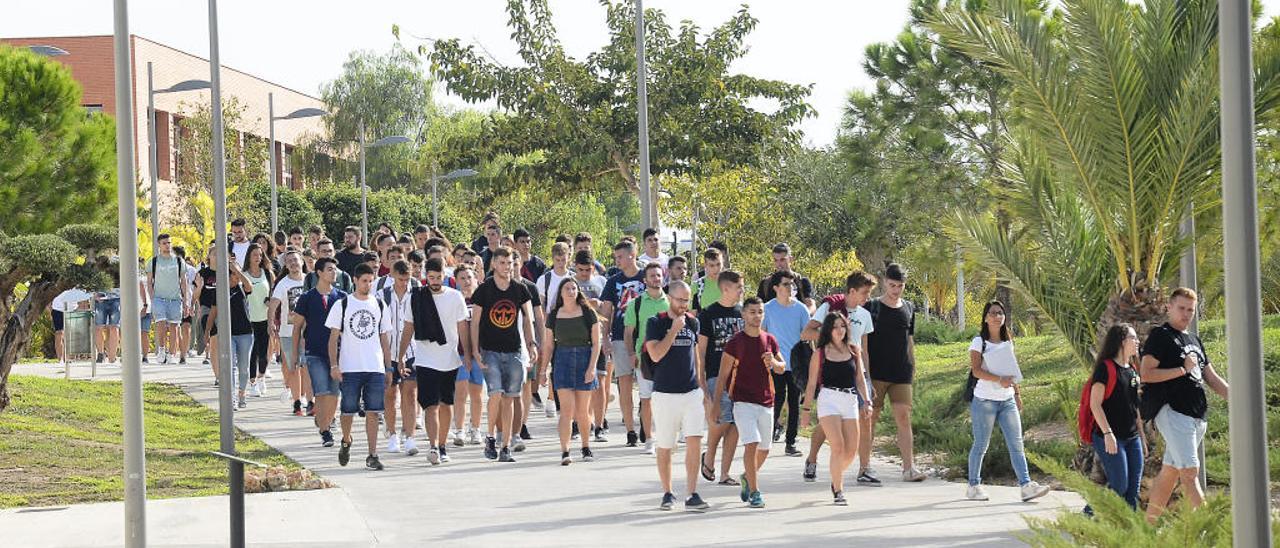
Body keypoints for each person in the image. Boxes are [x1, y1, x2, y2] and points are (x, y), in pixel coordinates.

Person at [1141, 288, 1229, 523]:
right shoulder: (1161, 336)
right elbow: (1146, 373)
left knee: (1170, 472)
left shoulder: (1193, 339)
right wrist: (1181, 369)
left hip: (1197, 416)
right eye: (1181, 308)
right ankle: (1209, 530)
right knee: (1190, 473)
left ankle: (1148, 528)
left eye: (1190, 310)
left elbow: (1211, 377)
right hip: (1173, 413)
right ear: (1169, 307)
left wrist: (1238, 398)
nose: (1186, 314)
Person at [965, 300, 1051, 502]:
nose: (997, 316)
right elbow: (976, 370)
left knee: (1016, 443)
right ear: (986, 318)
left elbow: (1012, 370)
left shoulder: (1008, 341)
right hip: (985, 400)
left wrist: (1017, 394)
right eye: (993, 313)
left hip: (1007, 400)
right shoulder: (979, 342)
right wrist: (998, 380)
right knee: (981, 444)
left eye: (1000, 313)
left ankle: (1026, 485)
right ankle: (973, 485)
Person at [801, 271, 880, 484]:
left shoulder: (864, 315)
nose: (867, 297)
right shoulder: (830, 307)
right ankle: (812, 458)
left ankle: (864, 468)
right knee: (827, 426)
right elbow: (806, 333)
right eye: (864, 293)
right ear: (852, 290)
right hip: (832, 372)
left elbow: (864, 349)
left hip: (856, 371)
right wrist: (831, 335)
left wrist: (868, 377)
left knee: (865, 418)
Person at [396, 258, 471, 465]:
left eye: (438, 277)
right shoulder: (417, 297)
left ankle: (443, 445)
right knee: (430, 404)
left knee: (446, 403)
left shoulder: (455, 297)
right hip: (425, 358)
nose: (435, 281)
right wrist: (401, 355)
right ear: (425, 277)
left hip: (450, 359)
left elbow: (463, 328)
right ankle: (433, 446)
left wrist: (468, 355)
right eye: (431, 277)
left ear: (444, 277)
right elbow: (408, 327)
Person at [469, 246, 539, 462]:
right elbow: (476, 322)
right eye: (502, 263)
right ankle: (490, 435)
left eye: (509, 263)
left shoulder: (520, 289)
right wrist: (474, 349)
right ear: (494, 264)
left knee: (510, 397)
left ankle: (506, 445)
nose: (506, 267)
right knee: (496, 394)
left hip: (514, 350)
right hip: (490, 349)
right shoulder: (484, 290)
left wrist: (532, 344)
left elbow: (528, 319)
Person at [644, 281, 709, 512]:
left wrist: (703, 389)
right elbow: (655, 355)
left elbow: (696, 356)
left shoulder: (693, 322)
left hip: (691, 392)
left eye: (687, 300)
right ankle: (667, 492)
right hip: (664, 394)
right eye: (680, 300)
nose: (684, 305)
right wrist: (673, 330)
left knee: (694, 440)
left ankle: (692, 493)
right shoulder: (656, 323)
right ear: (669, 297)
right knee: (665, 445)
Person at [715, 297, 784, 508]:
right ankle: (755, 492)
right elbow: (722, 375)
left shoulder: (769, 340)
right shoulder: (735, 343)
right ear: (743, 315)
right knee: (751, 444)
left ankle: (747, 476)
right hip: (742, 402)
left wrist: (772, 362)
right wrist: (716, 404)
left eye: (760, 312)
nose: (756, 316)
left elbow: (782, 366)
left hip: (766, 401)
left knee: (765, 449)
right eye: (752, 312)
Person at [326, 263, 393, 471]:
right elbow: (333, 338)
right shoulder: (343, 304)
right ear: (355, 280)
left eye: (370, 281)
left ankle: (372, 454)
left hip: (374, 366)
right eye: (364, 280)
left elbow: (385, 338)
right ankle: (346, 440)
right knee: (348, 411)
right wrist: (334, 364)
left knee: (374, 411)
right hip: (350, 366)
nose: (367, 284)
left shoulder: (380, 305)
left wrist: (388, 367)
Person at [865, 263, 926, 482]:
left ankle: (909, 468)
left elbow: (910, 340)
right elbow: (863, 343)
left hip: (901, 373)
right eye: (892, 285)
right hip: (876, 373)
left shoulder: (909, 308)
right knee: (871, 419)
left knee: (903, 417)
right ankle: (865, 466)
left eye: (900, 286)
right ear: (884, 282)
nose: (896, 290)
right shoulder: (871, 307)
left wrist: (913, 367)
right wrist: (866, 375)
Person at [802, 313, 870, 505]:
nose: (839, 330)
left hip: (850, 399)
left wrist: (867, 402)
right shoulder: (820, 353)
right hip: (829, 399)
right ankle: (839, 490)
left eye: (842, 326)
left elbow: (860, 379)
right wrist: (806, 411)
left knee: (851, 451)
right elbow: (811, 384)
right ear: (828, 331)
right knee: (838, 445)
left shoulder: (854, 350)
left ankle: (835, 477)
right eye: (835, 327)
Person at [1082, 323, 1145, 514]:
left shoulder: (1132, 370)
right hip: (1109, 436)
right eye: (1133, 338)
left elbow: (1135, 408)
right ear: (1121, 341)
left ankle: (1129, 532)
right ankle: (1088, 514)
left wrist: (1142, 437)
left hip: (1132, 438)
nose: (1137, 342)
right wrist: (1108, 433)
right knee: (1119, 485)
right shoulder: (1106, 368)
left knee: (1132, 490)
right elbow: (1095, 404)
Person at [540, 278, 602, 465]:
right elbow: (549, 345)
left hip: (584, 358)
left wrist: (592, 367)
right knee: (566, 411)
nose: (571, 291)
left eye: (574, 288)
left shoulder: (588, 313)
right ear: (560, 292)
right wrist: (543, 370)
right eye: (567, 288)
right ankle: (565, 451)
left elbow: (597, 343)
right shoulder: (553, 316)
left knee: (582, 411)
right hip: (562, 360)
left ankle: (585, 446)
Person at [291, 257, 348, 447]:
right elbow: (297, 327)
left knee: (334, 393)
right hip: (314, 351)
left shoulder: (341, 297)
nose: (334, 273)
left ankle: (325, 421)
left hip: (337, 353)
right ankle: (325, 432)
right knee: (322, 391)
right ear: (319, 273)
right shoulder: (307, 298)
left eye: (335, 269)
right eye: (330, 269)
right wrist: (294, 355)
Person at [696, 269, 744, 487]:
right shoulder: (708, 314)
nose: (742, 291)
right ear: (726, 288)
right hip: (717, 375)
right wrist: (702, 380)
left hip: (741, 377)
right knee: (723, 419)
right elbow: (701, 350)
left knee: (735, 425)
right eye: (739, 287)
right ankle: (709, 455)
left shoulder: (743, 312)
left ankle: (725, 473)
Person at [600, 240, 647, 447]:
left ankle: (646, 426)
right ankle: (630, 431)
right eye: (615, 257)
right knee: (624, 385)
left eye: (620, 257)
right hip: (620, 336)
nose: (617, 261)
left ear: (632, 255)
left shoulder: (646, 277)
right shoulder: (613, 281)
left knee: (647, 386)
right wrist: (605, 338)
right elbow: (607, 312)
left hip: (647, 337)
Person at [762, 271, 810, 456]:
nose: (790, 287)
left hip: (796, 365)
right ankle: (768, 436)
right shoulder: (768, 308)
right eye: (786, 284)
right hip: (775, 364)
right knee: (776, 400)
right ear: (776, 288)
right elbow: (762, 335)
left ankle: (791, 442)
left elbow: (807, 337)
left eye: (792, 284)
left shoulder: (801, 309)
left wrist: (811, 363)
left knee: (794, 403)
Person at [623, 262, 670, 455]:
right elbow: (628, 332)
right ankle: (649, 438)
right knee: (647, 399)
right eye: (652, 276)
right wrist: (632, 354)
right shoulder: (636, 303)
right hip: (644, 359)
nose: (655, 279)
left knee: (667, 400)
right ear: (645, 280)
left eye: (658, 275)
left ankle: (666, 437)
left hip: (668, 358)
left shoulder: (670, 302)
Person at [380, 260, 421, 458]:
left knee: (410, 394)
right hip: (388, 352)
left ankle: (410, 436)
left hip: (412, 351)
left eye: (407, 279)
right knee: (390, 394)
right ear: (393, 275)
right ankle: (392, 434)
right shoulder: (382, 296)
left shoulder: (417, 294)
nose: (404, 283)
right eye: (400, 279)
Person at [205, 251, 255, 409]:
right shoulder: (219, 291)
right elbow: (213, 312)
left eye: (236, 275)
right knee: (231, 365)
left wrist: (238, 271)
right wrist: (207, 331)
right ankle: (232, 398)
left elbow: (249, 286)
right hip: (228, 333)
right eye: (232, 275)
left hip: (245, 333)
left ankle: (242, 392)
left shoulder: (241, 288)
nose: (235, 278)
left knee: (243, 367)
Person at [270, 250, 310, 416]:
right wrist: (270, 322)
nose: (293, 263)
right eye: (289, 261)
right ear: (286, 265)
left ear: (302, 261)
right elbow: (273, 304)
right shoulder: (283, 283)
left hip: (309, 332)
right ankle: (297, 402)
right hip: (288, 332)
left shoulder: (310, 280)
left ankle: (309, 399)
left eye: (296, 260)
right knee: (293, 367)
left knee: (307, 366)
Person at [449, 264, 486, 446]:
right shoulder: (455, 300)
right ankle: (459, 429)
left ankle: (476, 428)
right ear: (456, 281)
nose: (466, 281)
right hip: (460, 354)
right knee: (460, 393)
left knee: (477, 393)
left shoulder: (482, 300)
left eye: (469, 277)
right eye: (462, 278)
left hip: (479, 353)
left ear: (476, 278)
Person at [147, 234, 189, 365]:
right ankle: (161, 349)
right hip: (159, 298)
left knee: (174, 327)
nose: (167, 245)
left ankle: (171, 355)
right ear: (159, 245)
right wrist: (152, 297)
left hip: (175, 299)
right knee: (160, 323)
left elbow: (184, 281)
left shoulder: (178, 261)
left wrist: (186, 300)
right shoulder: (153, 261)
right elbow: (149, 281)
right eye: (164, 243)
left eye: (169, 243)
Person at [243, 244, 274, 398]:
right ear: (249, 256)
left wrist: (270, 302)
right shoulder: (244, 275)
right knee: (252, 352)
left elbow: (273, 293)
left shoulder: (267, 273)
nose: (258, 258)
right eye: (255, 255)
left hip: (265, 317)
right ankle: (253, 382)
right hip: (249, 318)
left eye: (260, 255)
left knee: (264, 351)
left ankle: (262, 377)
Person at [756, 243, 814, 309]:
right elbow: (758, 308)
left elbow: (810, 305)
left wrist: (803, 316)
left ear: (791, 260)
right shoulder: (765, 284)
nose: (779, 264)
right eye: (776, 260)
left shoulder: (802, 282)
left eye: (782, 260)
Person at [50, 287, 92, 365]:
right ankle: (61, 359)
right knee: (59, 333)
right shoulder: (64, 283)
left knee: (70, 334)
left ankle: (68, 358)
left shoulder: (83, 284)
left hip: (72, 309)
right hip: (58, 308)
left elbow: (85, 301)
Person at [93, 257, 122, 364]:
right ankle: (100, 353)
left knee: (114, 327)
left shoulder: (119, 261)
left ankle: (112, 357)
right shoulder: (99, 260)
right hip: (101, 298)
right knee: (99, 327)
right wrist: (94, 293)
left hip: (116, 298)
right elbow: (93, 279)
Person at [193, 249, 218, 368]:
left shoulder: (227, 272)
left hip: (222, 309)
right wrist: (199, 287)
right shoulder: (203, 273)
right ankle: (207, 353)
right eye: (214, 254)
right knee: (213, 334)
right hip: (206, 307)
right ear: (209, 256)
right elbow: (195, 296)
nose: (217, 256)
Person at [535, 242, 574, 313]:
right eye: (558, 260)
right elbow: (540, 305)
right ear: (553, 259)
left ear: (568, 258)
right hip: (551, 321)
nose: (561, 263)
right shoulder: (543, 280)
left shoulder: (574, 278)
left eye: (563, 260)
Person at [176, 245, 197, 363]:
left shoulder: (191, 270)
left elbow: (195, 287)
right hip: (174, 301)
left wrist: (194, 303)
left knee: (186, 327)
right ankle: (179, 350)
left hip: (187, 302)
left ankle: (183, 354)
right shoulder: (170, 268)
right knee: (176, 327)